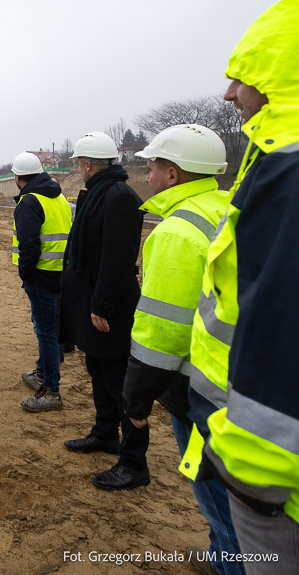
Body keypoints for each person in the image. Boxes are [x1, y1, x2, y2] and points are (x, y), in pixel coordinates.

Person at [179, 2, 299, 572]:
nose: (229, 93)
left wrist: (252, 475)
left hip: (272, 477)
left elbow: (279, 327)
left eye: (244, 73)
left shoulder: (288, 171)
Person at [121, 124, 242, 575]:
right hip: (244, 378)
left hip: (201, 388)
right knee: (240, 497)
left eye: (151, 168)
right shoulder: (231, 208)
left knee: (218, 499)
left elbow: (161, 334)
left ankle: (227, 561)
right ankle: (219, 557)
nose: (146, 176)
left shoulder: (176, 232)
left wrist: (135, 400)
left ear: (173, 175)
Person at [60, 131, 148, 491]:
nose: (79, 169)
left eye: (79, 163)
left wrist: (102, 306)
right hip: (93, 302)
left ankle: (134, 463)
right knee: (97, 369)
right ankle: (104, 433)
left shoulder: (119, 198)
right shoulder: (99, 193)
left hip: (108, 305)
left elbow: (118, 258)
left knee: (120, 381)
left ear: (87, 164)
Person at [10, 152, 72, 412]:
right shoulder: (57, 197)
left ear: (17, 177)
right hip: (61, 273)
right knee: (51, 329)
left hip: (41, 275)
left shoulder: (29, 201)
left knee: (45, 332)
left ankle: (50, 389)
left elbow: (29, 245)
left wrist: (26, 274)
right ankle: (42, 373)